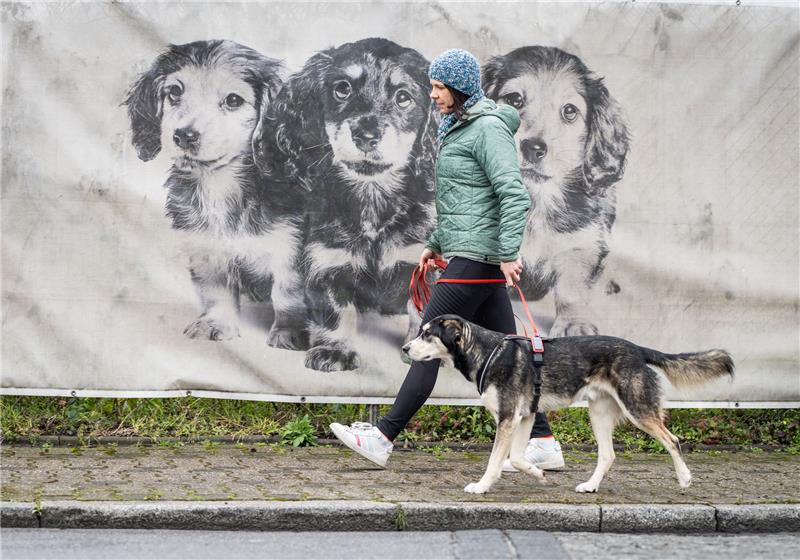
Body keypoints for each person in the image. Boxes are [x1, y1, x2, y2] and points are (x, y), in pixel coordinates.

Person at [330, 49, 563, 472]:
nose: (432, 94)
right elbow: (462, 199)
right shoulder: (459, 127)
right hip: (470, 253)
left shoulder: (487, 130)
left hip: (479, 258)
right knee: (508, 355)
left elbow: (512, 194)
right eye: (433, 86)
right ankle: (543, 439)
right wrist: (437, 242)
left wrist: (508, 254)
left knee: (427, 342)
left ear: (458, 88)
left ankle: (383, 436)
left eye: (439, 87)